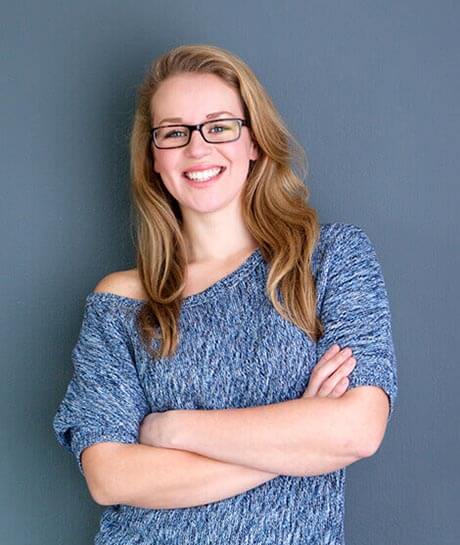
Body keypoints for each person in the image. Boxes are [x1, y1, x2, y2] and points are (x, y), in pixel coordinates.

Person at [52, 43, 398, 544]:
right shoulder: (122, 301)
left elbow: (356, 431)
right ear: (153, 157)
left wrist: (172, 429)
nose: (197, 149)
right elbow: (110, 478)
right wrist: (297, 444)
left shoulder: (330, 259)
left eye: (219, 127)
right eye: (175, 132)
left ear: (254, 141)